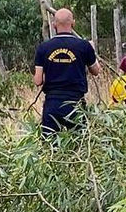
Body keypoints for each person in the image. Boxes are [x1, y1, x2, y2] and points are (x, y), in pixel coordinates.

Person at [34, 8, 101, 137]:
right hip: (75, 103)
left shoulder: (43, 48)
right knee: (79, 142)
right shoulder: (84, 46)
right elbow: (96, 71)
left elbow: (38, 81)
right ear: (73, 23)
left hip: (52, 103)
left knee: (50, 143)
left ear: (54, 24)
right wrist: (92, 50)